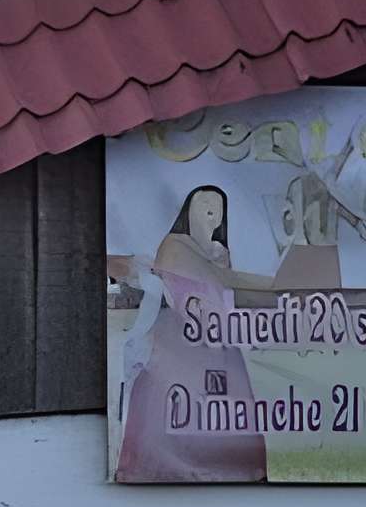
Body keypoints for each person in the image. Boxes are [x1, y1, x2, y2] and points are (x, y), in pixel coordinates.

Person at [114, 184, 273, 481]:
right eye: (203, 202)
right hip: (179, 338)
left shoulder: (219, 253)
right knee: (177, 408)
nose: (212, 208)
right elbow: (219, 281)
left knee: (227, 409)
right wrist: (271, 283)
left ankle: (234, 471)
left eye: (218, 205)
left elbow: (226, 290)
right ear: (189, 209)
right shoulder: (175, 245)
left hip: (217, 340)